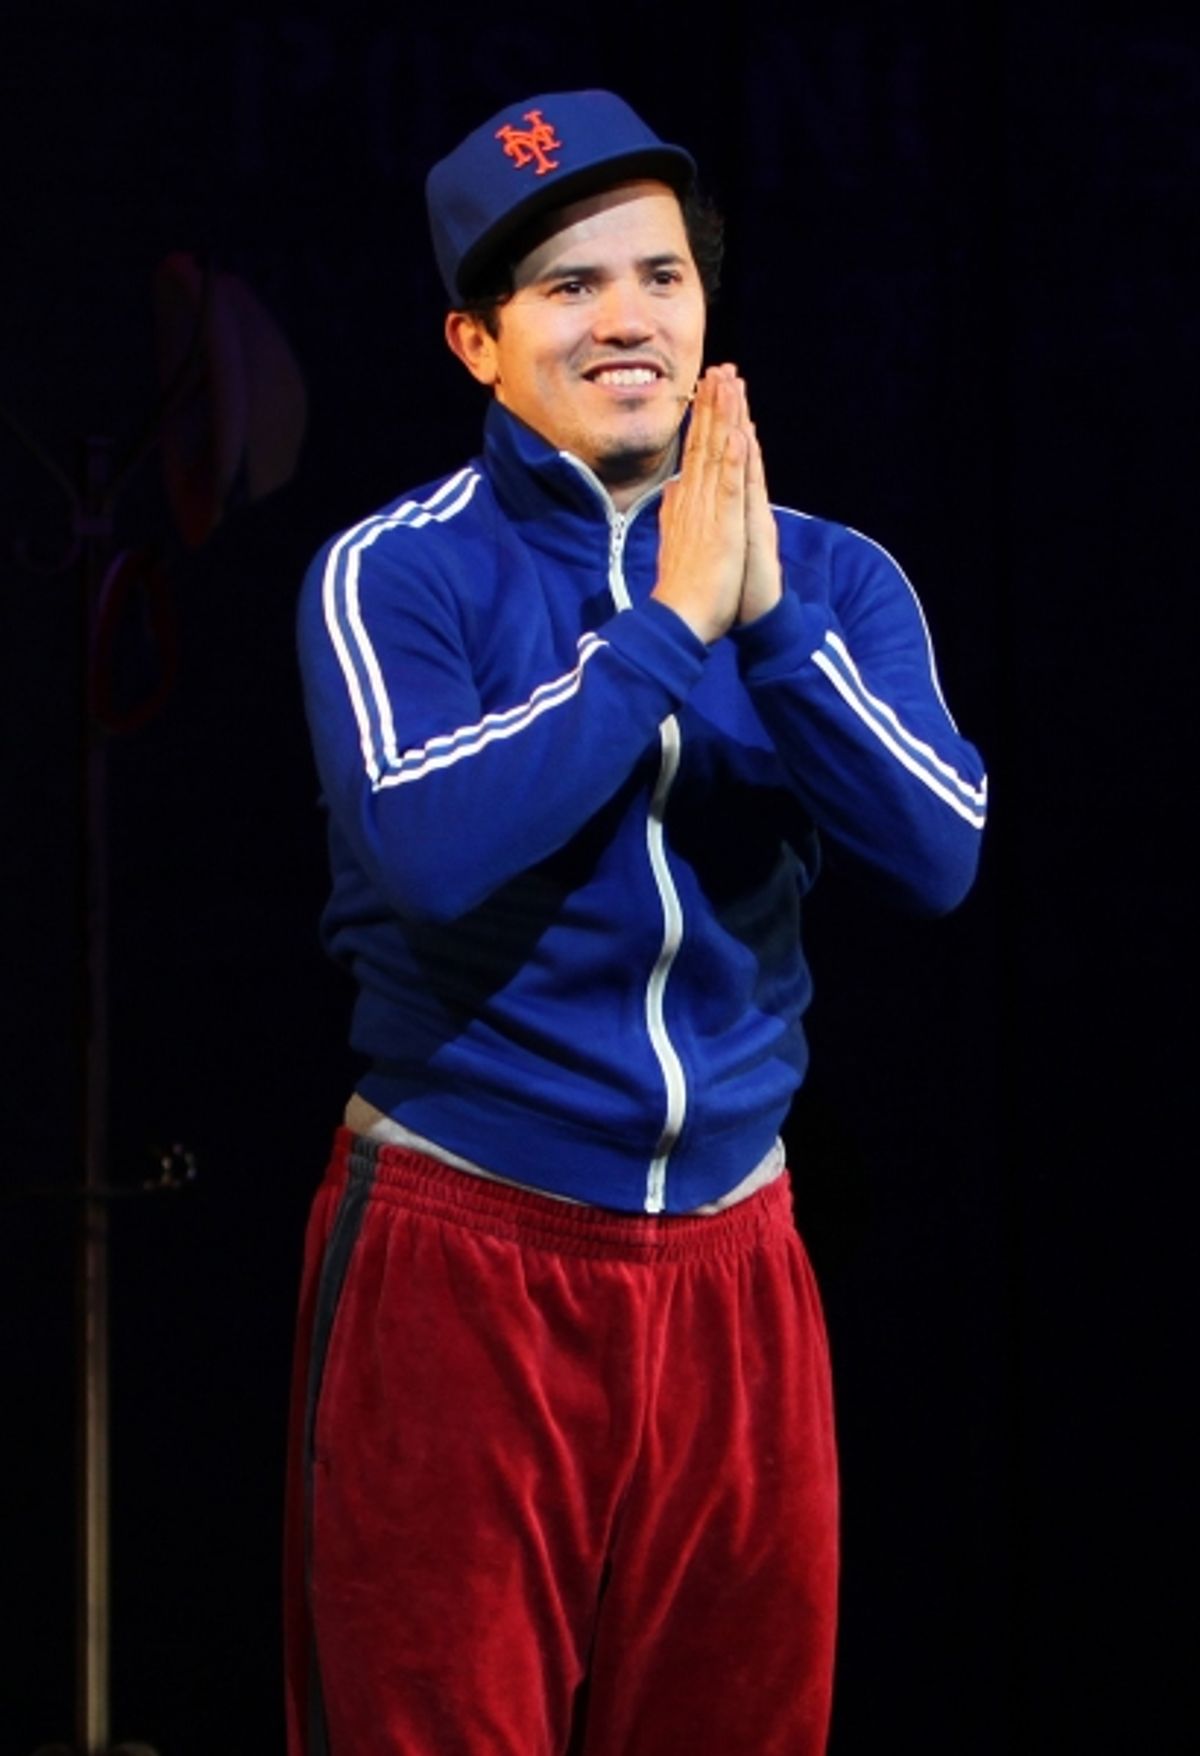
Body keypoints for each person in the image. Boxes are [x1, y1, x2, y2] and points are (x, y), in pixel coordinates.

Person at [284, 89, 987, 1756]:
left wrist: (769, 624)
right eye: (569, 286)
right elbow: (432, 847)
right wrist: (668, 624)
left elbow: (939, 851)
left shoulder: (831, 575)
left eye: (660, 278)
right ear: (478, 340)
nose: (628, 322)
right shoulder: (397, 573)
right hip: (467, 1251)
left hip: (739, 1264)